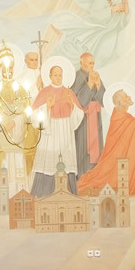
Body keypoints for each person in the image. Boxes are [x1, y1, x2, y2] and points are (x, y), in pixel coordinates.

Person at [30, 61, 83, 196]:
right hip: (50, 130)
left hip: (65, 129)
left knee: (66, 161)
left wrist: (72, 106)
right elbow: (34, 114)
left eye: (60, 75)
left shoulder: (68, 92)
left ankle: (68, 193)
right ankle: (44, 194)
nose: (58, 78)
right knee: (48, 161)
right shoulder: (45, 92)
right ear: (50, 76)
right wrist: (47, 107)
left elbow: (79, 113)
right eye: (55, 75)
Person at [71, 53, 105, 174]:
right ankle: (82, 177)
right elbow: (79, 102)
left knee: (97, 148)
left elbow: (103, 101)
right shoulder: (76, 76)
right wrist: (90, 84)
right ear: (81, 62)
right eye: (89, 63)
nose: (92, 65)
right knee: (83, 147)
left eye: (93, 63)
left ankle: (94, 177)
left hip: (96, 118)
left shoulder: (95, 75)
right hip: (82, 119)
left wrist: (98, 84)